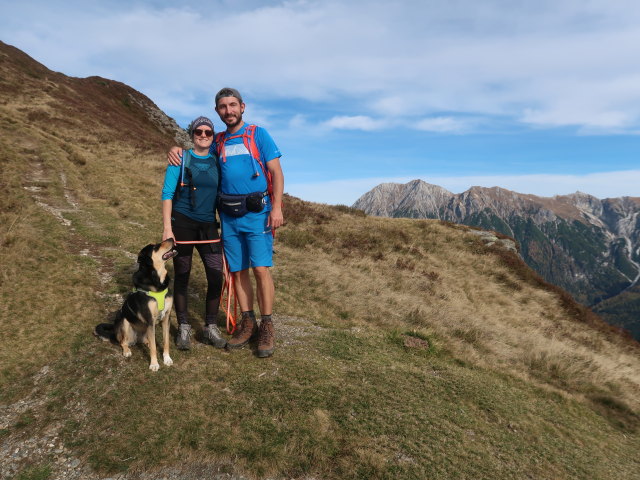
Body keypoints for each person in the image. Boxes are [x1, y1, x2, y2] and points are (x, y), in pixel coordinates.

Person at [168, 88, 284, 358]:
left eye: (233, 105)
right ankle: (247, 322)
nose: (228, 111)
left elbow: (276, 172)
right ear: (217, 111)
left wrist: (276, 207)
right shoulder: (218, 140)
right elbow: (196, 152)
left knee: (261, 270)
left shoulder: (259, 134)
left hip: (258, 213)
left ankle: (266, 325)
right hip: (228, 217)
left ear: (242, 107)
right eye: (222, 107)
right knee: (238, 270)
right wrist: (175, 148)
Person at [161, 116, 226, 350]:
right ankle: (184, 327)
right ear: (192, 133)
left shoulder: (218, 161)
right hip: (182, 224)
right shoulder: (179, 158)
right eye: (199, 131)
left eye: (208, 132)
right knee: (183, 275)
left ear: (213, 135)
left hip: (209, 226)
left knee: (216, 275)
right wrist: (168, 228)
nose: (204, 135)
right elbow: (167, 194)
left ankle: (210, 327)